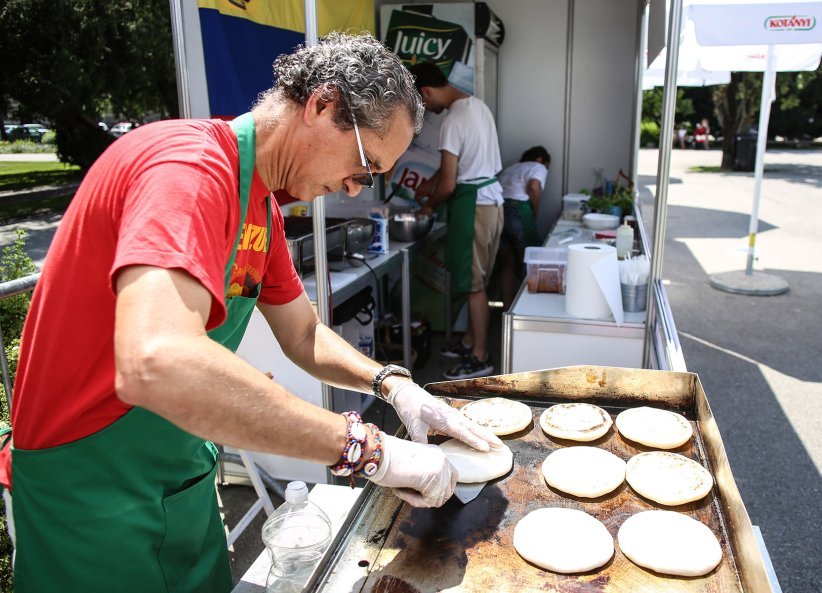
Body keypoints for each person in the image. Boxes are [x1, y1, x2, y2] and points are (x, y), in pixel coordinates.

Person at [0, 33, 502, 592]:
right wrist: (367, 449)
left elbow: (304, 332)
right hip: (89, 490)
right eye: (365, 166)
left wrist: (395, 386)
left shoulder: (258, 203)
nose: (358, 189)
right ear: (322, 103)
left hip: (179, 472)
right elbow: (157, 360)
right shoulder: (188, 168)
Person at [409, 61, 504, 381]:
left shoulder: (451, 121)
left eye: (424, 103)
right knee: (477, 278)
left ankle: (480, 357)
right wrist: (430, 181)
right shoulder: (477, 106)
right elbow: (458, 164)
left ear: (427, 91)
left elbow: (450, 185)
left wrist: (427, 206)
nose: (428, 108)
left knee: (473, 285)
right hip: (492, 201)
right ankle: (468, 341)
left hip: (473, 204)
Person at [496, 146, 551, 306]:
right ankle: (528, 309)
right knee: (528, 262)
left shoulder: (510, 168)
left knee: (507, 264)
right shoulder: (539, 167)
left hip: (498, 212)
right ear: (544, 161)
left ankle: (507, 309)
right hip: (518, 211)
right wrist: (535, 211)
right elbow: (533, 187)